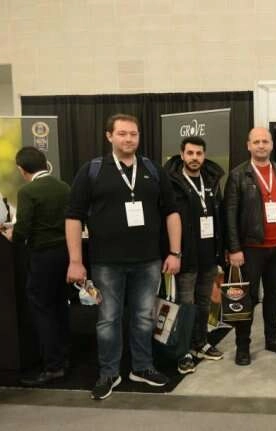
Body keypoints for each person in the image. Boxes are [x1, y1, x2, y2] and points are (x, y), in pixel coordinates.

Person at [65, 114, 182, 400]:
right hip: (106, 262)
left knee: (144, 317)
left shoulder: (153, 169)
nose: (129, 139)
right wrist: (76, 261)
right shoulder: (92, 170)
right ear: (109, 136)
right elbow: (73, 217)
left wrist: (175, 252)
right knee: (108, 320)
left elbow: (172, 212)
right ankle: (109, 372)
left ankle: (142, 367)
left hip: (149, 260)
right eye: (122, 134)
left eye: (133, 134)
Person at [223, 127, 276, 366]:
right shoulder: (238, 175)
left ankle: (272, 339)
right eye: (256, 142)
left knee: (274, 295)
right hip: (250, 248)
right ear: (248, 145)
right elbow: (229, 214)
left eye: (265, 141)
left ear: (272, 145)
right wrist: (234, 248)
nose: (261, 145)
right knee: (248, 298)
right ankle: (242, 346)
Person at [3, 147, 71, 386]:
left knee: (43, 309)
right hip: (65, 253)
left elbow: (22, 230)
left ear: (22, 169)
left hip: (42, 256)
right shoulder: (64, 187)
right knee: (61, 305)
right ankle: (64, 357)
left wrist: (11, 234)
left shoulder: (28, 191)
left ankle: (52, 366)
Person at [164, 136, 225, 374]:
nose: (194, 158)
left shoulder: (211, 180)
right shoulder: (171, 182)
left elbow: (219, 215)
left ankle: (200, 343)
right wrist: (172, 252)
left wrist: (221, 252)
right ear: (182, 155)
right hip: (185, 256)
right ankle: (184, 352)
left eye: (199, 154)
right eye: (190, 153)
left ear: (204, 155)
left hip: (208, 255)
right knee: (186, 306)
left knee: (203, 303)